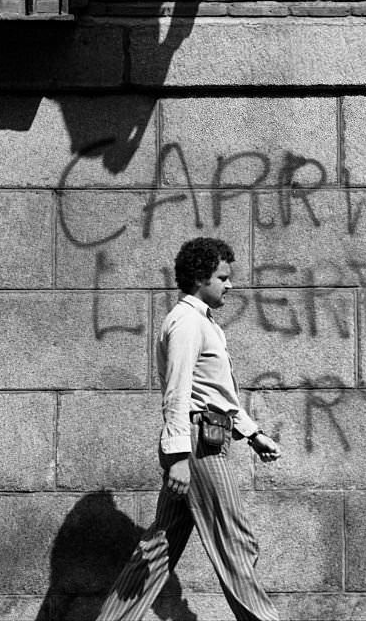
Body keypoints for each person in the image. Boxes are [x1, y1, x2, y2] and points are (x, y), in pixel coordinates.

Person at [96, 237, 281, 621]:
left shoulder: (201, 322)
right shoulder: (186, 323)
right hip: (198, 449)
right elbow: (177, 393)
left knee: (158, 549)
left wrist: (252, 433)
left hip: (200, 440)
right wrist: (179, 457)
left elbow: (217, 392)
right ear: (201, 278)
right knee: (236, 542)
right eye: (222, 277)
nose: (229, 285)